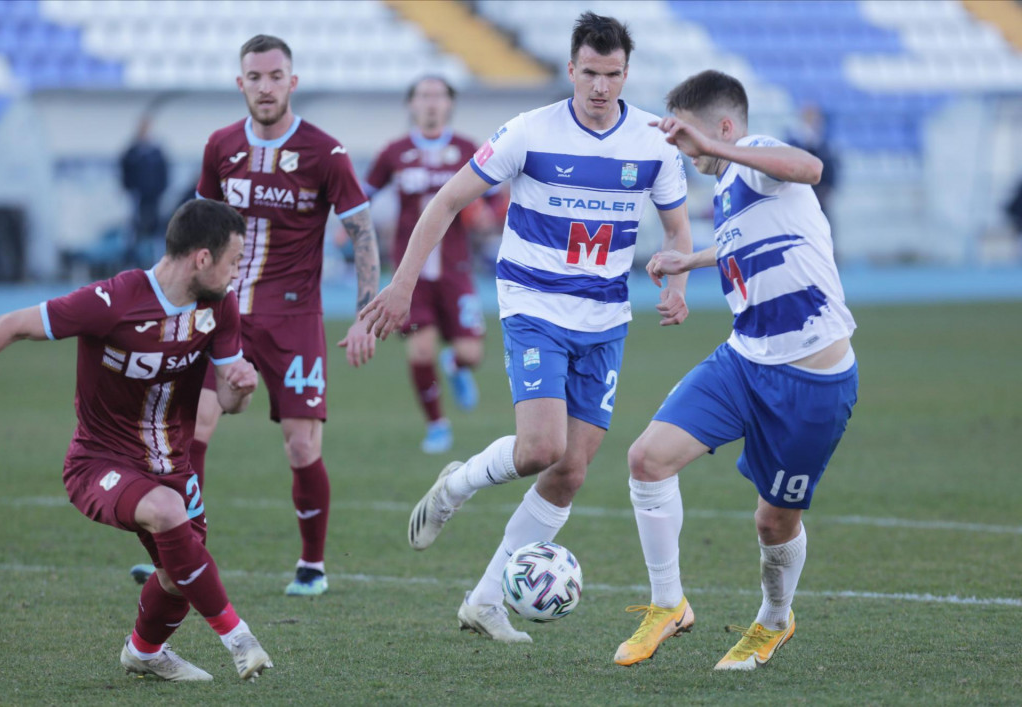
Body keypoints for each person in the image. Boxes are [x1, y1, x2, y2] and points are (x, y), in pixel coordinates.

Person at [361, 12, 692, 643]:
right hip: (534, 306)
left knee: (570, 471)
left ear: (627, 73)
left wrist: (676, 286)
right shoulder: (530, 132)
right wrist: (401, 285)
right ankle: (456, 484)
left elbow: (678, 231)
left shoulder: (652, 141)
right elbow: (446, 201)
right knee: (541, 447)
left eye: (612, 74)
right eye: (589, 73)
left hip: (605, 321)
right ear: (570, 69)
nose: (600, 86)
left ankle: (485, 600)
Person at [612, 70, 858, 670]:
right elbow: (744, 242)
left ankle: (775, 619)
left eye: (686, 137)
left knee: (774, 522)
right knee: (646, 458)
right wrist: (687, 260)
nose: (683, 151)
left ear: (722, 128)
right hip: (744, 361)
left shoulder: (749, 155)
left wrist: (717, 148)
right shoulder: (728, 184)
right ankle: (668, 604)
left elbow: (811, 169)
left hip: (812, 380)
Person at [0, 199, 273, 681]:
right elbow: (13, 325)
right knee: (168, 513)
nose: (238, 273)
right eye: (233, 261)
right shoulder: (111, 301)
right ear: (202, 259)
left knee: (178, 577)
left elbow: (231, 403)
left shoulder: (219, 306)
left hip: (173, 466)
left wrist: (241, 385)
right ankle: (240, 640)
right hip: (97, 462)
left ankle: (144, 653)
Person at [146, 35, 380, 597]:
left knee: (302, 445)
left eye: (276, 76)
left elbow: (362, 232)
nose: (266, 86)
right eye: (256, 77)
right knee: (189, 431)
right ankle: (182, 553)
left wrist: (366, 313)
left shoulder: (327, 152)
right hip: (218, 316)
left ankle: (313, 565)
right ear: (241, 83)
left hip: (295, 320)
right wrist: (157, 298)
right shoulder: (220, 146)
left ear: (292, 82)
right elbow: (194, 233)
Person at [364, 75, 494, 454]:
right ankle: (437, 425)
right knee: (419, 349)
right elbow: (363, 194)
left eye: (438, 96)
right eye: (423, 96)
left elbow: (496, 197)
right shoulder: (395, 152)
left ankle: (454, 364)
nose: (431, 103)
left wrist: (486, 213)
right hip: (412, 273)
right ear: (411, 105)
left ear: (450, 104)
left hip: (456, 269)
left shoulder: (469, 149)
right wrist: (348, 227)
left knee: (472, 353)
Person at [120, 113, 170, 267]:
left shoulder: (156, 153)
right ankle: (133, 261)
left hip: (154, 198)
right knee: (135, 230)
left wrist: (160, 191)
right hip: (137, 198)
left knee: (156, 229)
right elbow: (124, 173)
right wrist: (130, 190)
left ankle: (157, 260)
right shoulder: (131, 153)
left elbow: (165, 174)